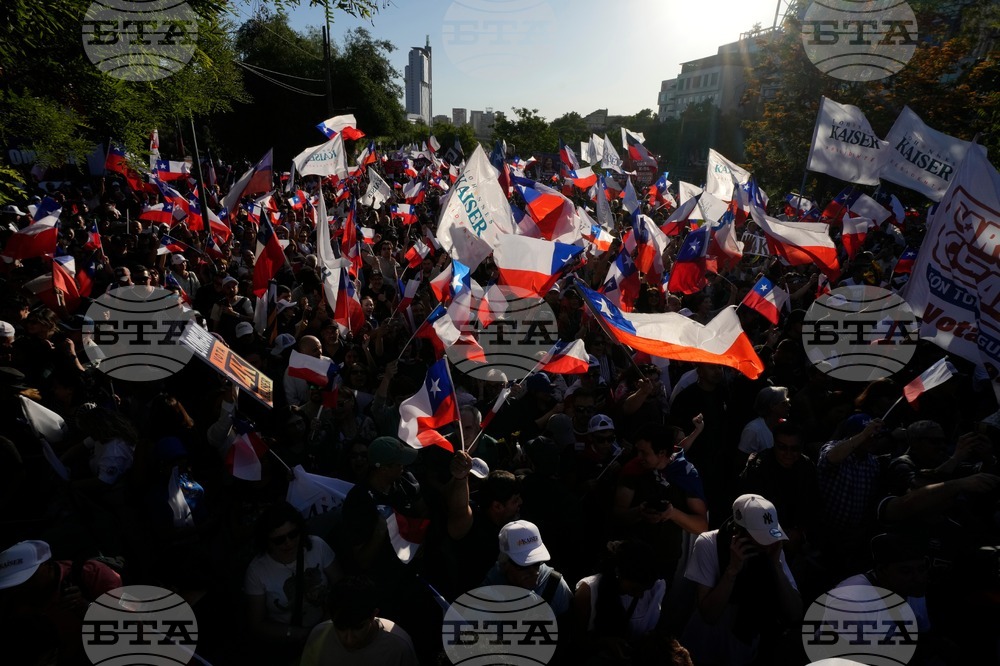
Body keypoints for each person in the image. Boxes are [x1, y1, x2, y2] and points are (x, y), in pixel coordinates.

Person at [682, 494, 802, 666]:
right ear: (738, 532)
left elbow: (795, 613)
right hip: (707, 645)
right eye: (760, 538)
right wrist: (732, 571)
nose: (766, 544)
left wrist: (776, 567)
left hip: (747, 648)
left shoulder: (772, 549)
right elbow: (709, 615)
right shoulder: (708, 544)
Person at [0, 540, 122, 664]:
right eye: (13, 585)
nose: (22, 589)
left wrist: (86, 607)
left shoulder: (93, 574)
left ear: (47, 565)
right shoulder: (16, 603)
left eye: (28, 579)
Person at [244, 502, 340, 659]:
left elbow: (340, 584)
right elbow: (257, 623)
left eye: (293, 534)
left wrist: (328, 620)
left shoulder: (317, 546)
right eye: (279, 540)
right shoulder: (257, 571)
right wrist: (297, 634)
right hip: (289, 642)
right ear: (266, 541)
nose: (288, 542)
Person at [573, 540, 666, 662]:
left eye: (645, 589)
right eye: (635, 588)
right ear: (619, 574)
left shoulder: (655, 589)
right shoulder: (588, 591)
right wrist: (603, 643)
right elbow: (575, 641)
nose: (640, 595)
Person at [300, 576, 418, 666]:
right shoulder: (318, 636)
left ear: (373, 615)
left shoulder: (399, 647)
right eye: (341, 628)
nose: (349, 639)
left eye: (358, 628)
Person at [482, 520, 575, 617]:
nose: (534, 572)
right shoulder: (485, 594)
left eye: (537, 563)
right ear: (504, 563)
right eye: (523, 565)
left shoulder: (555, 585)